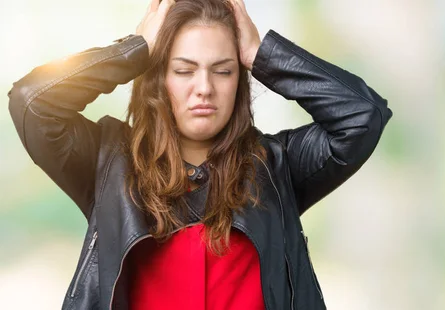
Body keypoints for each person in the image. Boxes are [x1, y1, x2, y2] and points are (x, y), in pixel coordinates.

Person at [7, 0, 392, 309]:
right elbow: (32, 101)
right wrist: (135, 49)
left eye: (223, 71)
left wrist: (262, 53)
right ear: (158, 77)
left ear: (240, 78)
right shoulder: (106, 163)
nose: (204, 88)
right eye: (184, 70)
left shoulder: (277, 168)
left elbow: (362, 116)